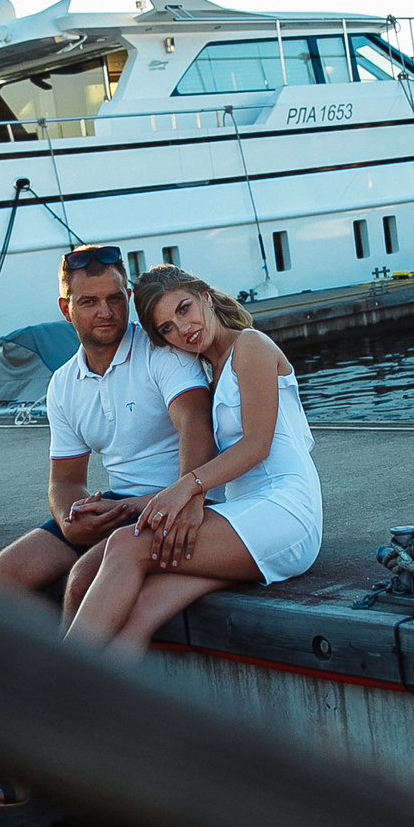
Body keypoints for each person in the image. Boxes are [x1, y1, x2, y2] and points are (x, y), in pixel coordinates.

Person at [66, 265, 322, 657]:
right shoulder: (211, 373)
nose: (183, 329)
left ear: (205, 296)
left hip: (285, 511)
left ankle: (52, 682)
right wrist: (128, 506)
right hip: (243, 513)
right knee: (142, 610)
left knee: (126, 545)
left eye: (184, 309)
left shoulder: (250, 345)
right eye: (167, 328)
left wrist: (187, 487)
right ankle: (97, 696)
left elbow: (257, 445)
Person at [0, 245, 218, 624]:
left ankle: (70, 663)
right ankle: (47, 657)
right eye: (89, 302)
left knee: (82, 581)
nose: (105, 312)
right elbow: (65, 480)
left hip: (180, 499)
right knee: (6, 575)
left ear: (128, 297)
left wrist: (186, 496)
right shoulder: (63, 384)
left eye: (114, 299)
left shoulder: (162, 352)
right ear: (66, 309)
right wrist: (70, 520)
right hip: (119, 506)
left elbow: (196, 422)